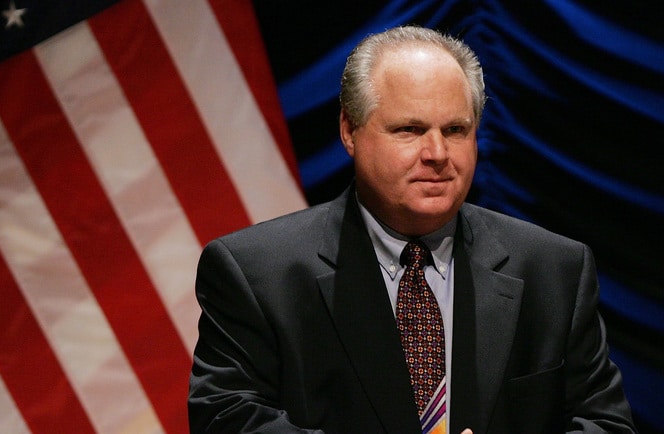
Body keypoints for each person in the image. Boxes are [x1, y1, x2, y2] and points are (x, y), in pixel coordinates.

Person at [187, 25, 636, 433]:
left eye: (456, 129)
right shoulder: (256, 273)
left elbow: (604, 424)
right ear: (350, 130)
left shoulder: (554, 268)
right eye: (410, 129)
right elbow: (226, 418)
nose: (438, 152)